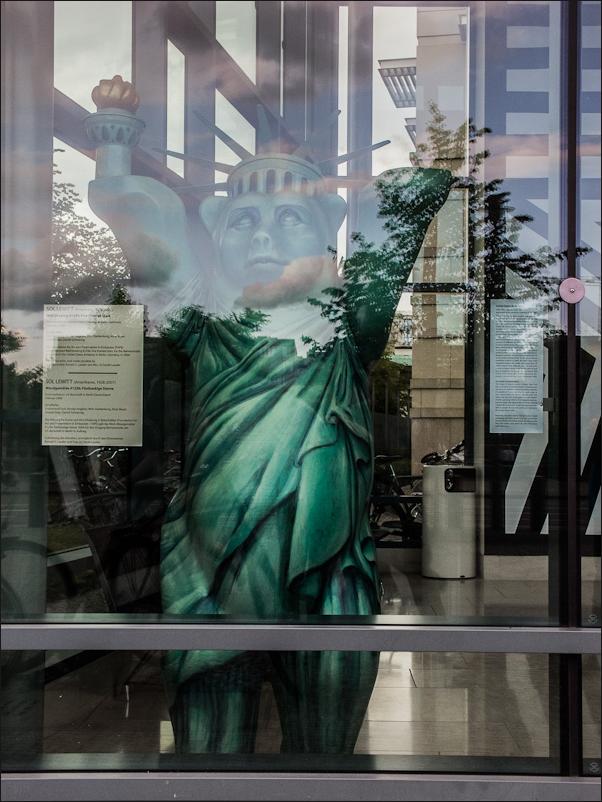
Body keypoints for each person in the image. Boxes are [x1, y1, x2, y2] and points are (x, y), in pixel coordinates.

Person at [86, 76, 453, 753]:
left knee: (325, 751)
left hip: (332, 573)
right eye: (245, 221)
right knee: (209, 750)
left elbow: (406, 208)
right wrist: (114, 138)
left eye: (289, 219)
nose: (263, 236)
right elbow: (138, 224)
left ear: (325, 232)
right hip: (212, 575)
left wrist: (437, 149)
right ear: (215, 232)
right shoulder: (203, 320)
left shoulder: (349, 322)